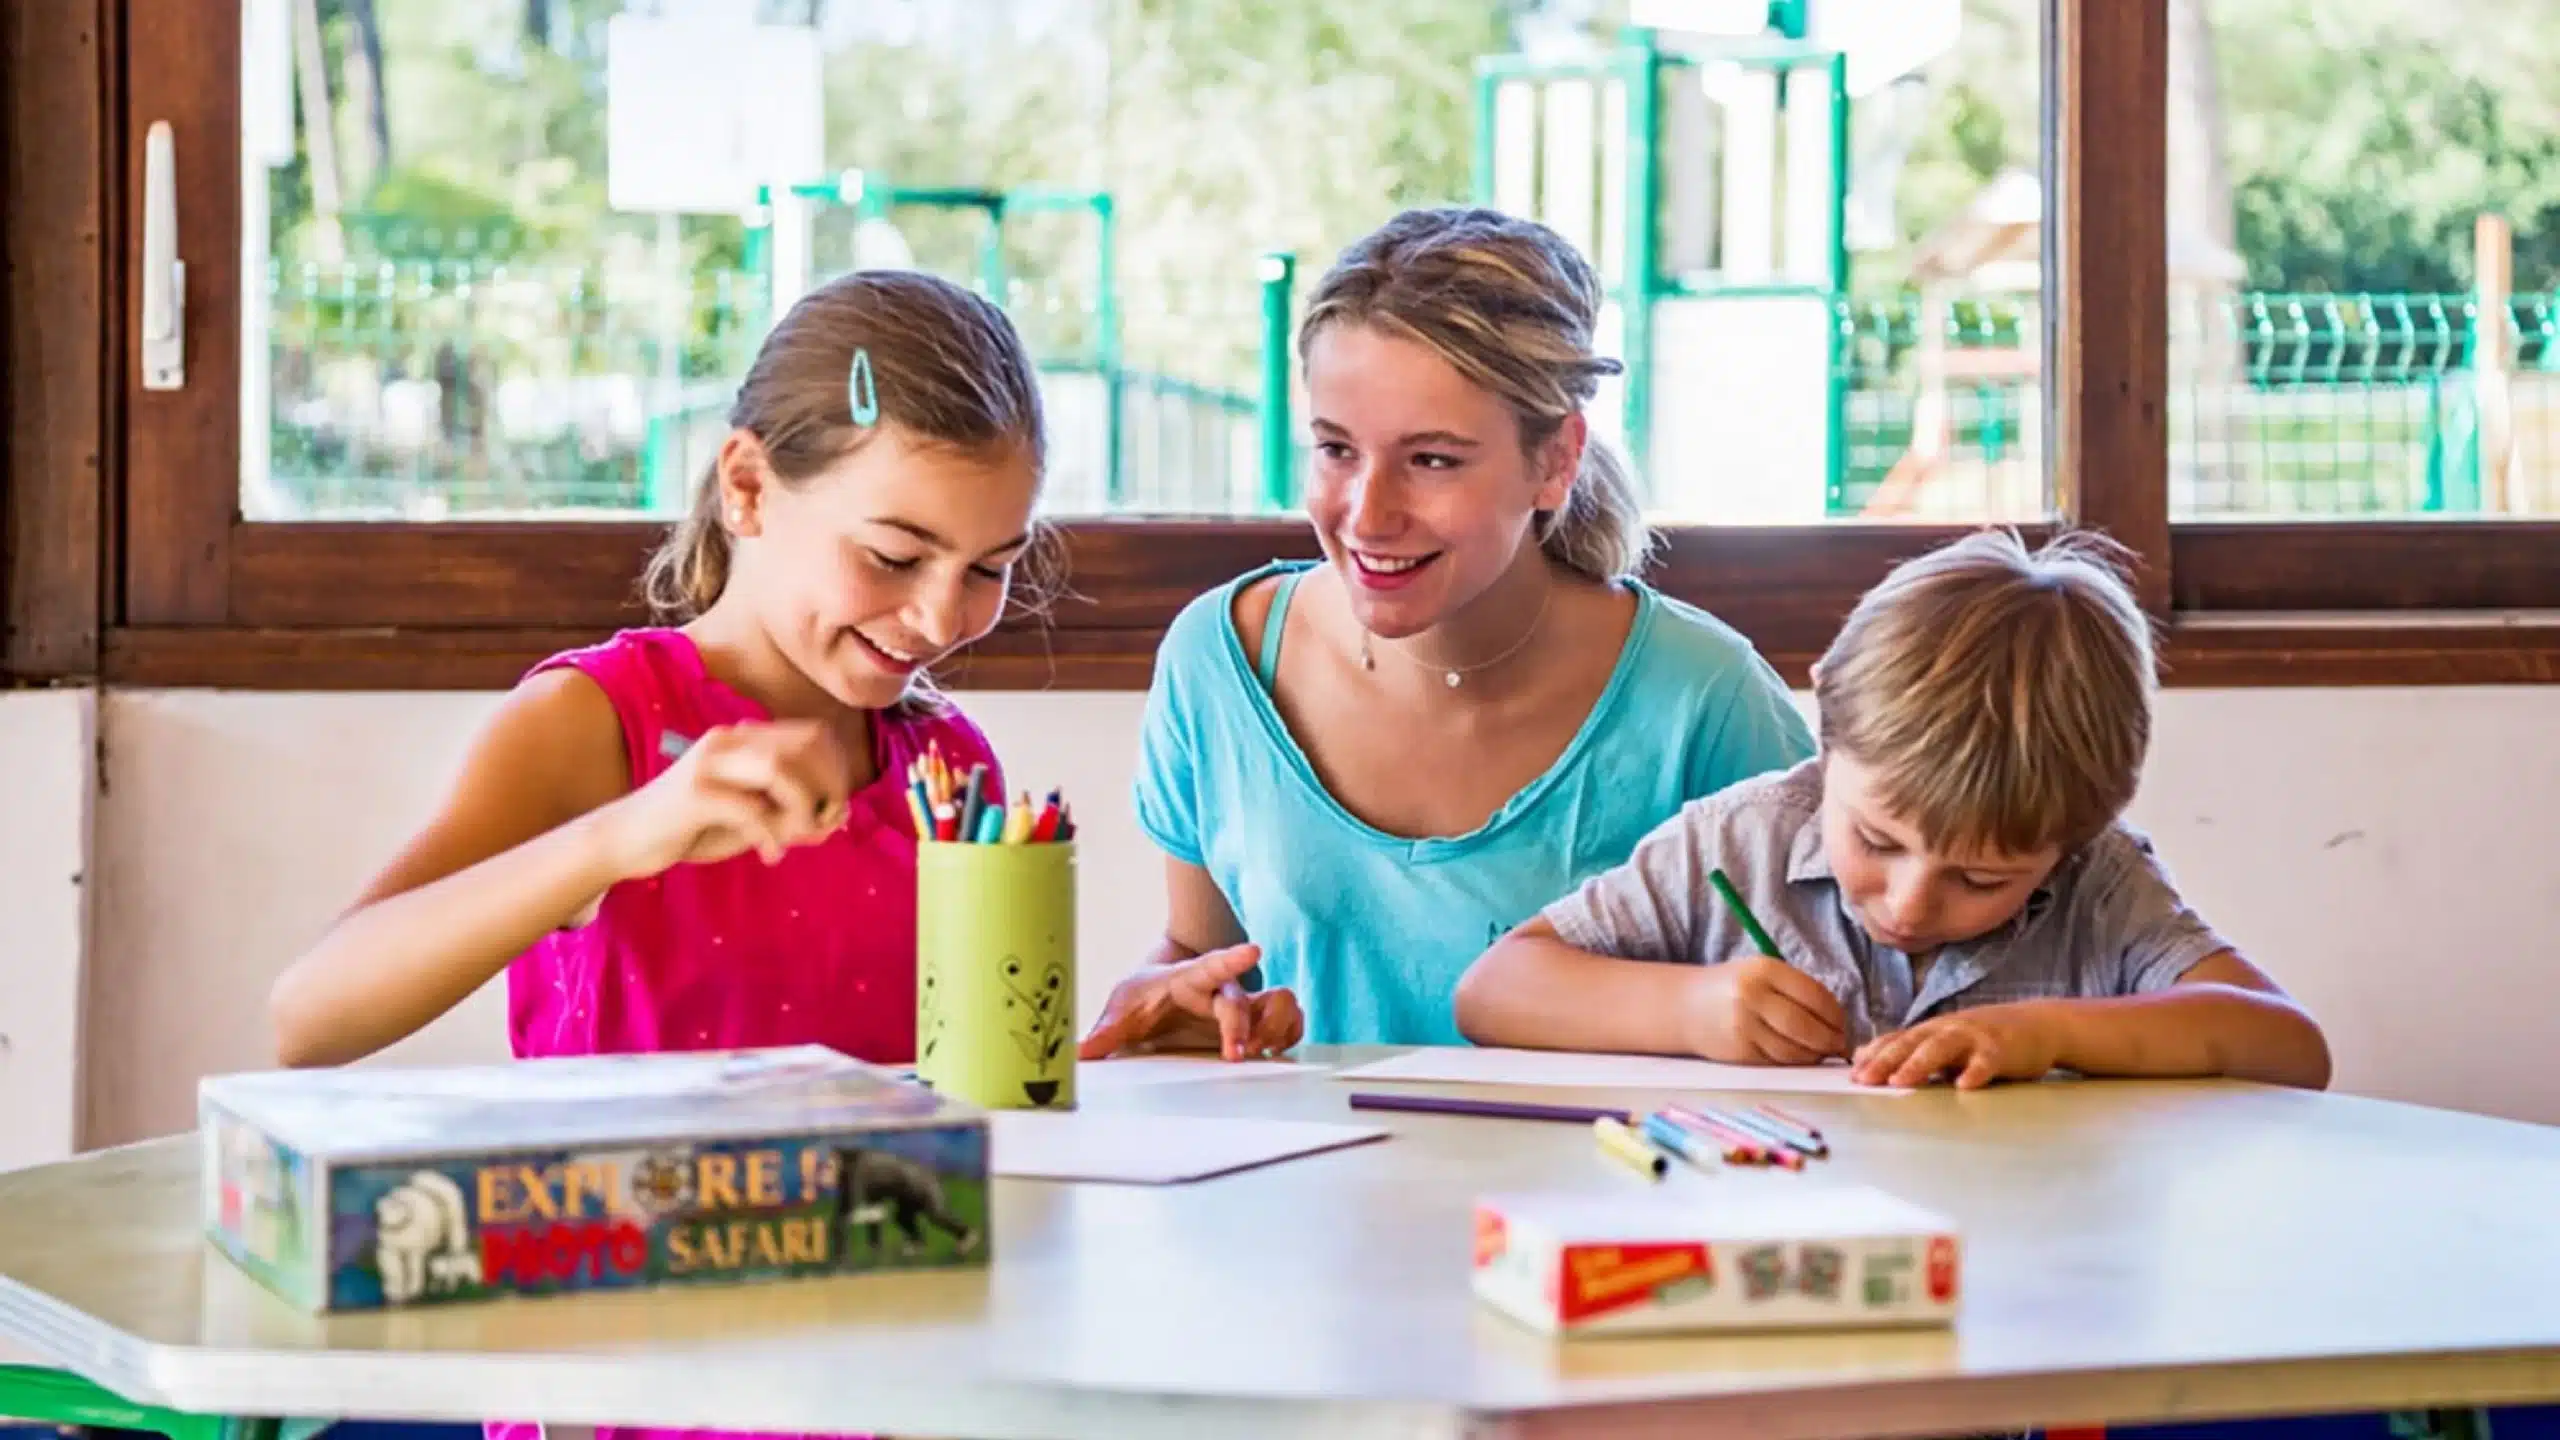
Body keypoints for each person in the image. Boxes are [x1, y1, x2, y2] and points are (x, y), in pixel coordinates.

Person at [268, 266, 1044, 1088]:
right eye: (894, 557)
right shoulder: (595, 720)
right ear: (747, 488)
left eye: (989, 570)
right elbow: (308, 1020)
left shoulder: (949, 769)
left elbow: (985, 1081)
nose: (938, 618)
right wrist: (620, 840)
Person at [1080, 206, 1813, 1060]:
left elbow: (1841, 991)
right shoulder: (1219, 660)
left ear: (1555, 462)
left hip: (1600, 1185)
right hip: (1302, 1189)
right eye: (1336, 449)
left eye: (1432, 460)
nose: (1368, 514)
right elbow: (1204, 962)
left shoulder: (1705, 701)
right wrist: (1167, 1009)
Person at [1455, 528, 2333, 1091]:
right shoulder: (1738, 842)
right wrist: (1689, 1011)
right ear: (1828, 724)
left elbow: (2287, 1046)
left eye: (1983, 877)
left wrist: (2050, 1034)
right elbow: (1494, 992)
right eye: (1877, 839)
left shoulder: (2098, 882)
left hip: (2020, 1269)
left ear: (2074, 835)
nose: (1910, 903)